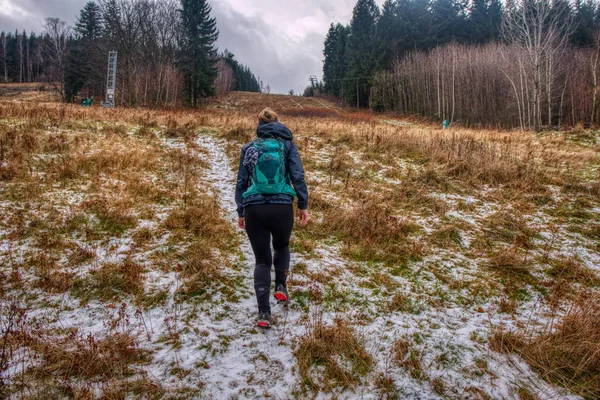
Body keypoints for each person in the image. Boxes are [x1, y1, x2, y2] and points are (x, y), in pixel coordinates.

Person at [235, 108, 309, 328]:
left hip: (254, 209)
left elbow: (241, 182)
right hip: (282, 207)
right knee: (282, 246)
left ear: (258, 126)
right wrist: (302, 205)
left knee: (262, 260)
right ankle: (281, 287)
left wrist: (241, 211)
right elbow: (297, 175)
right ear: (277, 123)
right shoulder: (287, 145)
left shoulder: (249, 148)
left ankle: (264, 314)